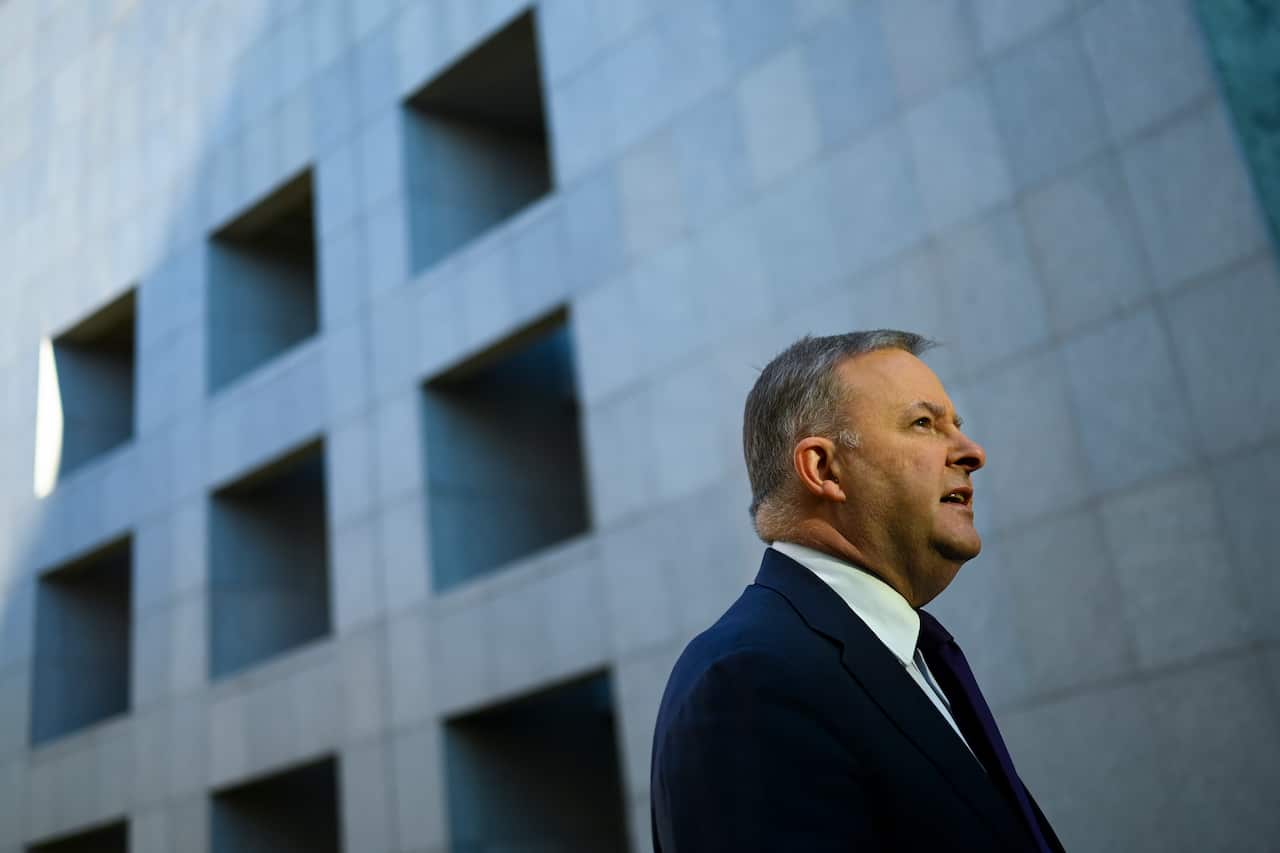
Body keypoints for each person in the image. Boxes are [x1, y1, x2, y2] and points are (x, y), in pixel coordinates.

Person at [650, 331, 1064, 852]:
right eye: (923, 424)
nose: (971, 452)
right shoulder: (749, 678)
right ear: (823, 468)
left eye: (956, 425)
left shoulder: (906, 657)